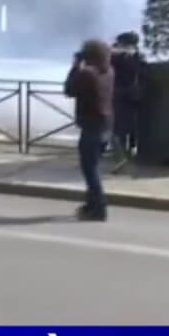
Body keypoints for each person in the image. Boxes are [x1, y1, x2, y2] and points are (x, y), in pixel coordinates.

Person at [64, 39, 114, 221]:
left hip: (91, 127)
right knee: (93, 168)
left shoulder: (88, 75)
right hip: (106, 125)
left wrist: (75, 66)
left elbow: (68, 89)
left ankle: (98, 208)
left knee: (89, 170)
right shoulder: (109, 72)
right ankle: (91, 205)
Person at [110, 31, 143, 161]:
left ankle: (129, 151)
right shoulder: (115, 57)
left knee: (131, 128)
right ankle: (120, 154)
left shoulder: (137, 57)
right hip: (120, 98)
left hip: (131, 98)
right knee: (119, 128)